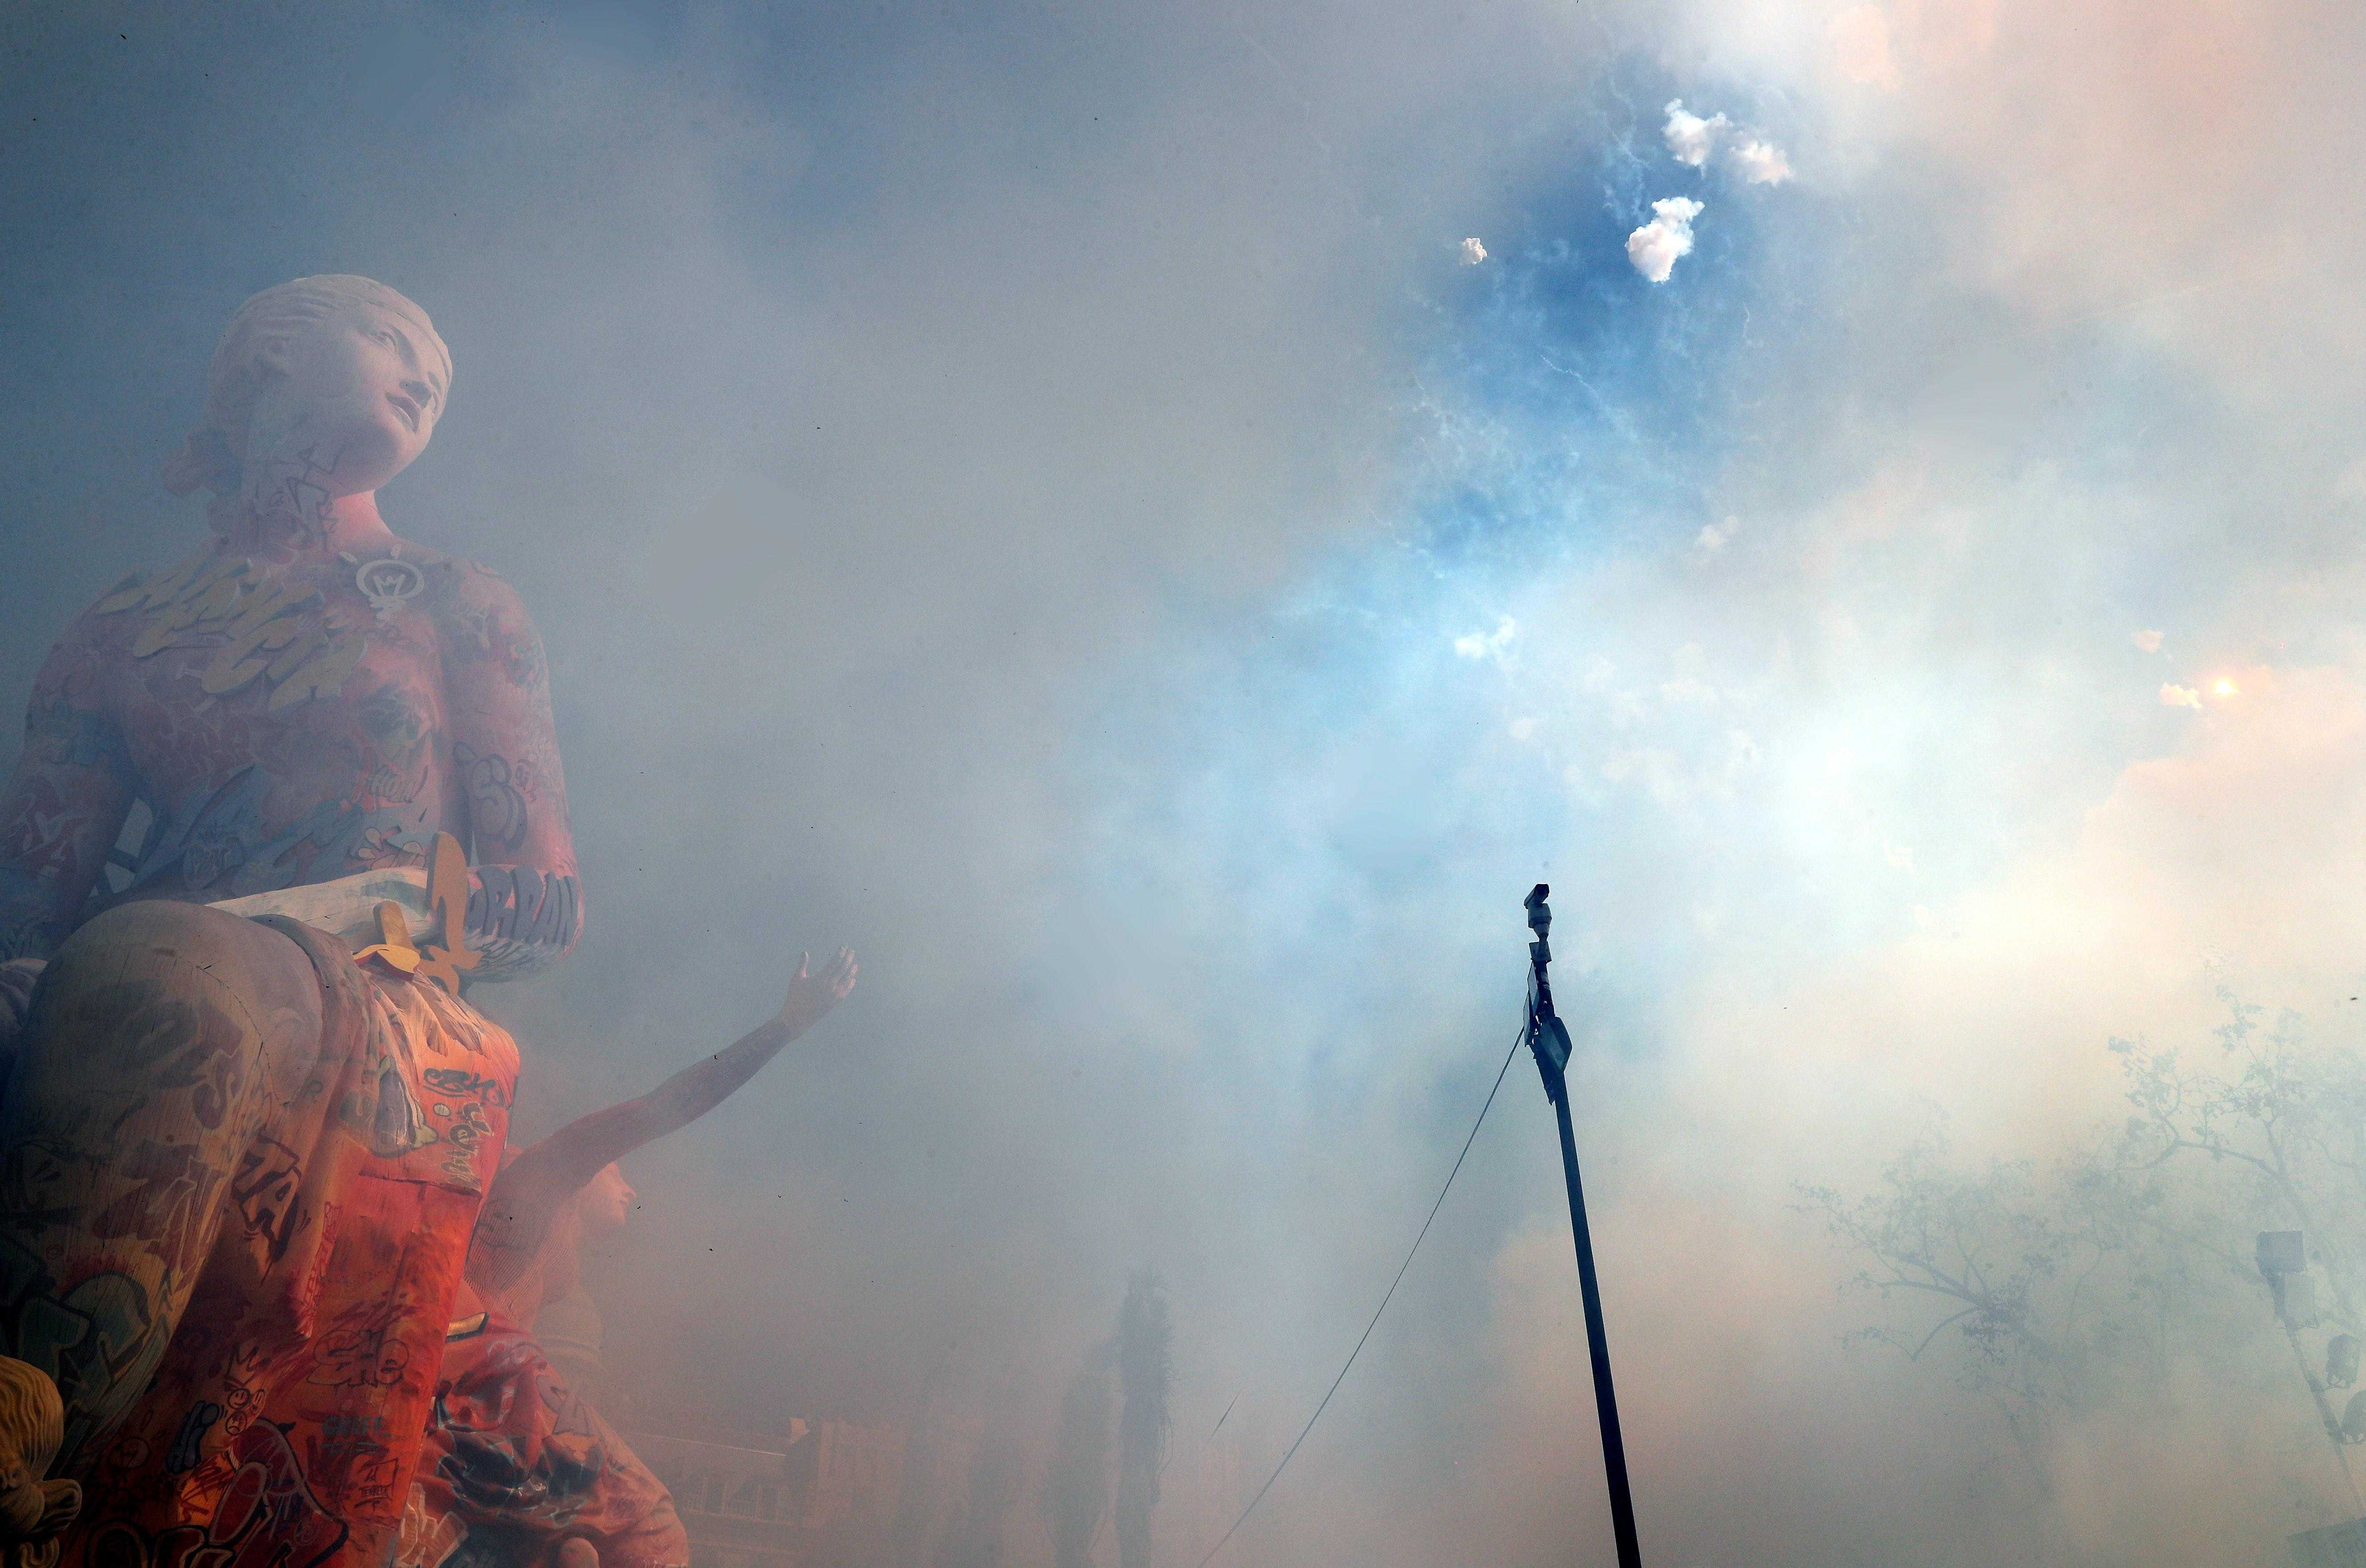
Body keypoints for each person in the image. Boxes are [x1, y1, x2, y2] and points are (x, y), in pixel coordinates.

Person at [0, 277, 585, 1568]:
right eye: (391, 336)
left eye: (440, 362)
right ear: (265, 354)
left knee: (161, 976)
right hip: (148, 970)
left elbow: (540, 906)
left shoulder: (455, 602)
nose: (427, 369)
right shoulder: (118, 631)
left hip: (375, 987)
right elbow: (26, 915)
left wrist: (330, 917)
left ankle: (22, 1453)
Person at [401, 949, 858, 1568]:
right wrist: (783, 1029)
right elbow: (660, 1109)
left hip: (428, 1426)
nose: (631, 1187)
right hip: (432, 1404)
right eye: (616, 1168)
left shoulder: (534, 1270)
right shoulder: (535, 1186)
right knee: (650, 1539)